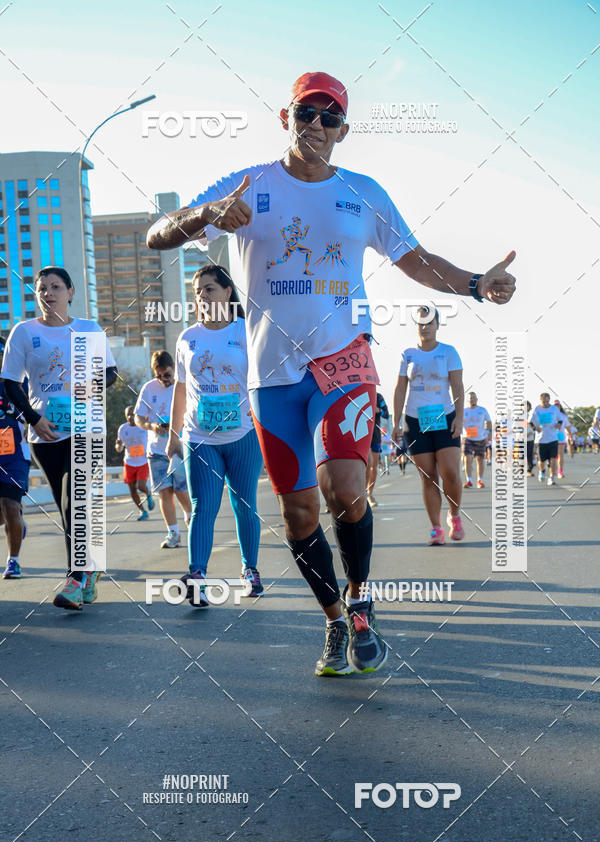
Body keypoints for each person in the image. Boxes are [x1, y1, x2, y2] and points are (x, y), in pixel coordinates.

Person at [147, 70, 516, 676]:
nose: (316, 125)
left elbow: (415, 261)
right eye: (305, 113)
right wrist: (209, 214)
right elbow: (157, 235)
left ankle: (362, 598)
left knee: (346, 488)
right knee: (299, 514)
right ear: (285, 118)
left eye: (329, 116)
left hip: (342, 362)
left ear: (344, 129)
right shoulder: (249, 185)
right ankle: (334, 619)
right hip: (272, 381)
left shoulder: (362, 191)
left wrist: (476, 284)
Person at [0, 266, 117, 608]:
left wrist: (87, 388)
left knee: (74, 500)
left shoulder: (88, 329)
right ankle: (87, 575)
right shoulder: (23, 332)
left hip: (85, 429)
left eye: (55, 287)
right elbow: (10, 382)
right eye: (42, 288)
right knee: (70, 507)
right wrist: (34, 419)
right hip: (46, 434)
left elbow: (110, 373)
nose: (48, 293)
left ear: (70, 292)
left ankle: (76, 578)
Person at [166, 264, 264, 605]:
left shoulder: (246, 331)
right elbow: (180, 388)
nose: (202, 296)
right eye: (197, 291)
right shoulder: (187, 338)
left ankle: (250, 570)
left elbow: (261, 382)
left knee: (244, 505)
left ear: (226, 292)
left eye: (209, 289)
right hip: (199, 436)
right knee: (201, 507)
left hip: (244, 435)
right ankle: (198, 577)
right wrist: (173, 433)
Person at [392, 306, 464, 544]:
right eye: (421, 323)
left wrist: (460, 417)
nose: (425, 327)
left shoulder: (449, 352)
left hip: (444, 417)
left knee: (450, 473)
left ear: (437, 325)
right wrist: (396, 421)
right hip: (415, 420)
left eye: (429, 322)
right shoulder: (408, 354)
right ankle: (436, 528)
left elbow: (457, 387)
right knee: (428, 476)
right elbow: (401, 387)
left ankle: (454, 516)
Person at [135, 350, 191, 548]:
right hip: (157, 450)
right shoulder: (148, 389)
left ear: (174, 369)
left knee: (181, 489)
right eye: (158, 375)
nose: (163, 379)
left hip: (181, 448)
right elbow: (138, 418)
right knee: (164, 492)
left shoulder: (184, 385)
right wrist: (152, 427)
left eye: (167, 374)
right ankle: (173, 533)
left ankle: (190, 517)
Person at [0, 337, 30, 578]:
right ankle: (16, 521)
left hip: (15, 456)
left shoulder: (20, 382)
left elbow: (36, 409)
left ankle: (13, 561)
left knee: (10, 504)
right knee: (6, 513)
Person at [116, 405, 154, 520]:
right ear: (125, 416)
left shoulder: (143, 427)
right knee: (132, 490)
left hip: (143, 461)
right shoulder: (123, 429)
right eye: (128, 414)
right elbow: (119, 448)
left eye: (132, 414)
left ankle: (148, 495)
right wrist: (118, 445)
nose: (130, 416)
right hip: (129, 462)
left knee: (140, 486)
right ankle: (142, 511)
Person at [530, 393, 562, 485]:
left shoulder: (554, 409)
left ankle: (551, 477)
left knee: (553, 459)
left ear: (549, 400)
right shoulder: (536, 409)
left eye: (547, 401)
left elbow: (560, 420)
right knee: (541, 461)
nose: (545, 403)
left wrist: (558, 425)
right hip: (541, 439)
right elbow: (530, 422)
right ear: (540, 400)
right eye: (543, 401)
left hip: (553, 438)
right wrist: (535, 428)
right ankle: (542, 471)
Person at [461, 391, 491, 488]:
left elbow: (489, 422)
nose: (472, 399)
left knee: (480, 460)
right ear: (467, 400)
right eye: (470, 398)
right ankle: (469, 481)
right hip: (468, 438)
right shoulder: (464, 411)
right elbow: (458, 422)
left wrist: (489, 433)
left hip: (480, 438)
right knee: (467, 459)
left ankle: (480, 480)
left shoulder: (482, 410)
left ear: (477, 399)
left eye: (474, 397)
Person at [366, 391, 389, 506]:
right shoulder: (357, 392)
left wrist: (378, 410)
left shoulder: (378, 396)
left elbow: (386, 413)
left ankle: (369, 493)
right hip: (360, 434)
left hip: (375, 435)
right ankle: (362, 494)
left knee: (372, 467)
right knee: (365, 465)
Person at [554, 400, 571, 479]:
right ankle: (553, 468)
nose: (557, 407)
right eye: (555, 405)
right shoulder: (550, 414)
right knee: (554, 455)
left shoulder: (563, 416)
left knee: (561, 455)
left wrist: (570, 435)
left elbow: (567, 426)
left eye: (558, 405)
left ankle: (560, 472)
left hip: (561, 436)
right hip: (552, 436)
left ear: (560, 406)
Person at [526, 401, 535, 476]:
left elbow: (535, 426)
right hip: (520, 439)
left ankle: (529, 470)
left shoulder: (532, 416)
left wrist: (531, 432)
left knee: (530, 455)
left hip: (530, 438)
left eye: (527, 406)